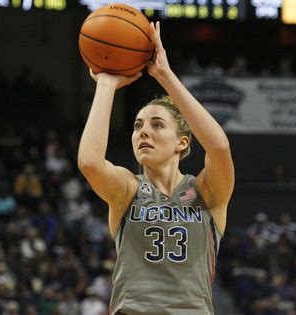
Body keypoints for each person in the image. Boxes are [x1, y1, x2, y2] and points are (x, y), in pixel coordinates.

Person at [77, 21, 234, 315]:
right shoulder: (128, 189)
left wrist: (165, 75)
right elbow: (89, 162)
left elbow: (219, 147)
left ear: (182, 142)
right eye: (138, 126)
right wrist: (106, 84)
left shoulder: (204, 192)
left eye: (157, 125)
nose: (143, 132)